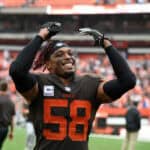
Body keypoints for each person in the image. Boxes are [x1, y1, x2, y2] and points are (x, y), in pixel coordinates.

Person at [9, 22, 136, 150]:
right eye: (59, 54)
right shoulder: (39, 84)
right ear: (48, 64)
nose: (68, 57)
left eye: (70, 53)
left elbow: (128, 81)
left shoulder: (90, 84)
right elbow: (17, 71)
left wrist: (106, 44)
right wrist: (41, 36)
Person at [0, 79, 15, 150]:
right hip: (5, 129)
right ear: (7, 89)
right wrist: (11, 132)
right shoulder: (11, 102)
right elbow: (12, 119)